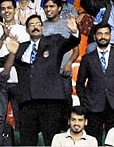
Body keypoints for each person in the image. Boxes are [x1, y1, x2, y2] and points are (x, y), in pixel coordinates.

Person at [9, 14, 80, 146]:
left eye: (38, 24)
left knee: (51, 141)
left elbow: (72, 42)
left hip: (50, 102)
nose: (35, 27)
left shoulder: (54, 41)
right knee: (27, 142)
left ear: (42, 27)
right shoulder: (20, 47)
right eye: (31, 25)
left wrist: (74, 31)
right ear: (26, 30)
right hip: (27, 102)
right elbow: (0, 61)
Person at [76, 23, 114, 145]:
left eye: (106, 33)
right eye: (100, 34)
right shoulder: (87, 58)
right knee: (93, 142)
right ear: (95, 36)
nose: (103, 36)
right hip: (93, 106)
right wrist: (85, 102)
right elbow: (80, 84)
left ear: (110, 36)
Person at [0, 0, 29, 130]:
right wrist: (3, 37)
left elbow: (26, 54)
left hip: (18, 80)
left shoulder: (23, 30)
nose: (6, 11)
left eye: (9, 8)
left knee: (21, 118)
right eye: (3, 8)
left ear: (15, 10)